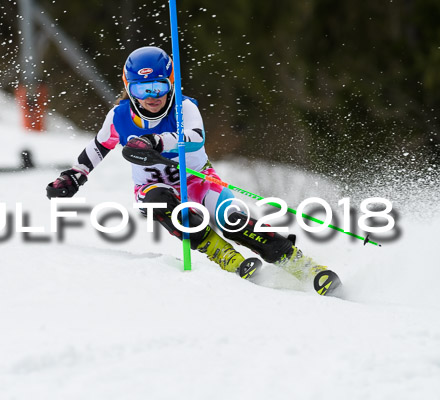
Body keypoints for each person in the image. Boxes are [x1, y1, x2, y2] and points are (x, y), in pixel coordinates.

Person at [46, 46, 326, 281]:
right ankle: (219, 252)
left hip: (198, 180)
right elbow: (98, 147)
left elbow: (195, 137)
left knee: (233, 221)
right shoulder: (119, 116)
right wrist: (74, 176)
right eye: (142, 89)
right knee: (158, 200)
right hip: (152, 186)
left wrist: (156, 141)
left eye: (158, 86)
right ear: (129, 88)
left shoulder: (184, 107)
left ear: (170, 83)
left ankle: (301, 266)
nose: (151, 97)